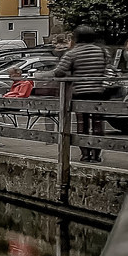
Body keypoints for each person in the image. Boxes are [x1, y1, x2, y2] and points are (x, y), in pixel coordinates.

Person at [53, 24, 117, 161]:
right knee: (98, 123)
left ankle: (85, 154)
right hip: (98, 92)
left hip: (80, 92)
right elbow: (110, 69)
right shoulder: (102, 51)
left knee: (82, 124)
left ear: (76, 38)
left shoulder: (72, 53)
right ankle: (96, 155)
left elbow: (59, 72)